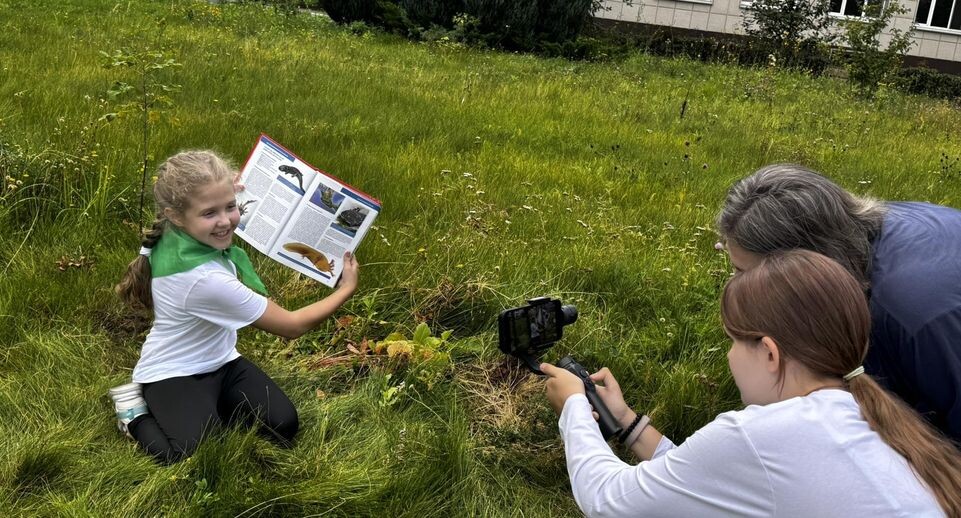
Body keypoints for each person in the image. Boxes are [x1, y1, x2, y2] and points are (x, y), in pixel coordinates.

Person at [542, 250, 961, 517]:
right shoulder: (869, 414)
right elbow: (708, 480)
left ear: (770, 353)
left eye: (733, 341)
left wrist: (575, 407)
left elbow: (606, 499)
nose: (728, 356)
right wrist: (628, 422)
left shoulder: (758, 435)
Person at [111, 150, 358, 464]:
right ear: (175, 215)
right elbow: (292, 326)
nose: (226, 220)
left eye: (230, 206)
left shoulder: (175, 231)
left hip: (223, 361)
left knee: (282, 424)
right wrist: (346, 289)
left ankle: (206, 410)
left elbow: (211, 206)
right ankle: (133, 412)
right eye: (210, 213)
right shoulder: (203, 281)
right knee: (196, 457)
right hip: (172, 373)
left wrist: (226, 193)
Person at [716, 163, 961, 443]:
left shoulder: (913, 318)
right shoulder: (860, 228)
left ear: (807, 265)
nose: (737, 288)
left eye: (745, 275)